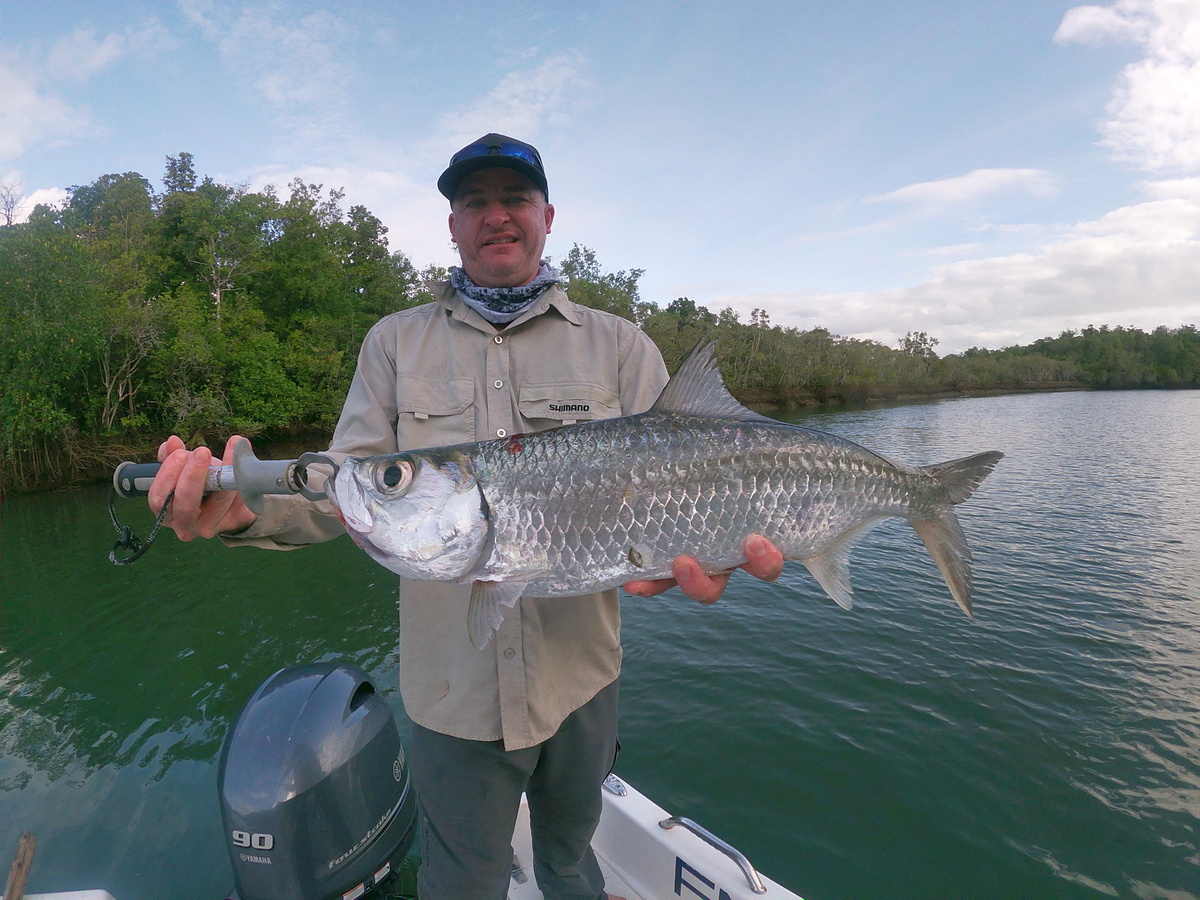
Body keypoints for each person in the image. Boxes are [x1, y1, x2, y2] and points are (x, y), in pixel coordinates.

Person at [149, 133, 783, 900]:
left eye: (514, 198)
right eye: (474, 201)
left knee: (572, 864)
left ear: (547, 215)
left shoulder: (622, 346)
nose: (497, 216)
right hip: (453, 695)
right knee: (461, 882)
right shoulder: (392, 344)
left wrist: (709, 547)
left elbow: (695, 477)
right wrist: (243, 509)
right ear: (452, 224)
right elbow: (342, 493)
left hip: (582, 683)